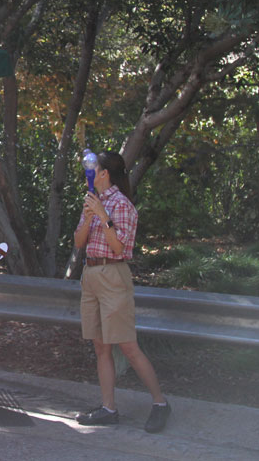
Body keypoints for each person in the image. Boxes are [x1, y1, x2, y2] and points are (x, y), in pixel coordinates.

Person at [73, 151, 171, 433]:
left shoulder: (122, 206)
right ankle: (108, 408)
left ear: (104, 173)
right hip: (90, 274)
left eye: (94, 168)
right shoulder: (93, 201)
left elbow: (119, 248)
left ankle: (160, 403)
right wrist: (90, 215)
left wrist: (104, 218)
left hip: (113, 274)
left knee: (127, 346)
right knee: (101, 346)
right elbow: (79, 242)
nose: (88, 172)